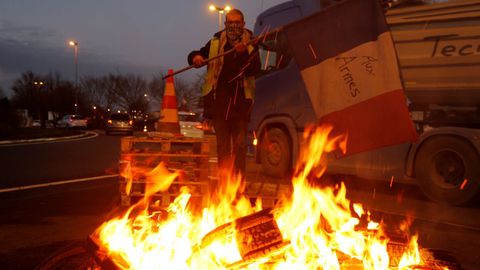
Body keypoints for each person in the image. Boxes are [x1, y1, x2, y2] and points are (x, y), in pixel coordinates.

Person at [187, 9, 260, 176]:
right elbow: (196, 54)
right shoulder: (216, 41)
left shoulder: (252, 43)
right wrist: (196, 58)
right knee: (223, 148)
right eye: (230, 23)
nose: (234, 26)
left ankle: (238, 185)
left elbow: (255, 69)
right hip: (219, 106)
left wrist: (242, 55)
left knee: (240, 148)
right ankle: (224, 184)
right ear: (226, 24)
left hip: (241, 107)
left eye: (237, 23)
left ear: (243, 24)